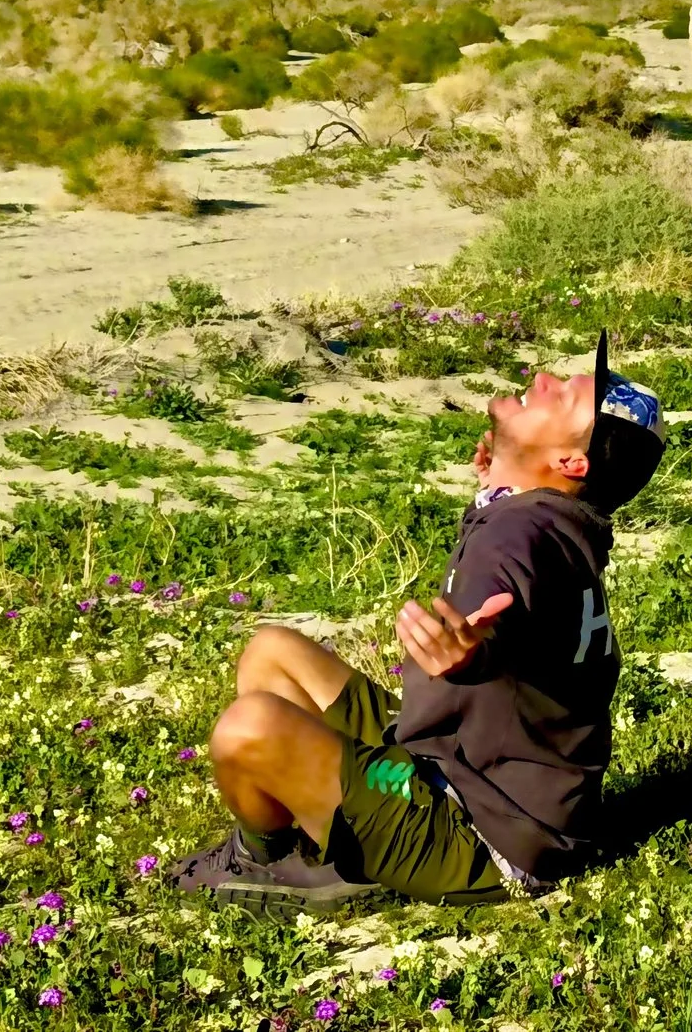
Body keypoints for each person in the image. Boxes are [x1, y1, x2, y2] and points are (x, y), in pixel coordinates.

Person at [176, 332, 663, 913]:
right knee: (273, 654)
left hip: (476, 838)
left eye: (563, 396)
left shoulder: (521, 534)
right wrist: (499, 481)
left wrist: (471, 653)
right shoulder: (557, 521)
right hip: (460, 770)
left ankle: (265, 859)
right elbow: (529, 582)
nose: (543, 382)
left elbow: (505, 598)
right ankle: (337, 834)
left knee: (247, 729)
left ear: (570, 461)